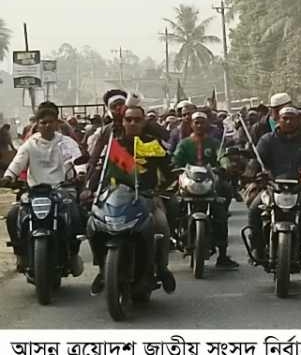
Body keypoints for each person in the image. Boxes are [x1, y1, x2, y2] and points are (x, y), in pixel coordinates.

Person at [86, 101, 176, 296]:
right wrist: (89, 189)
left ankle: (161, 268)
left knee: (161, 225)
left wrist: (162, 190)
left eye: (137, 120)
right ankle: (102, 270)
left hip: (147, 197)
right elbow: (101, 171)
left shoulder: (153, 144)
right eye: (129, 119)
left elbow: (170, 171)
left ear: (144, 122)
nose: (133, 123)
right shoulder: (114, 145)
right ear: (123, 122)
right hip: (115, 197)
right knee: (93, 225)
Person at [3, 105, 84, 276]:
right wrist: (9, 177)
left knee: (76, 214)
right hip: (34, 192)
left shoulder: (66, 143)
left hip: (62, 190)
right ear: (37, 124)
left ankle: (73, 252)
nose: (47, 125)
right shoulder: (30, 144)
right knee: (13, 216)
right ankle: (20, 254)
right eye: (43, 122)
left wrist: (81, 173)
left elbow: (77, 159)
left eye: (51, 122)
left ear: (57, 123)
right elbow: (18, 162)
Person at [247, 105, 301, 267]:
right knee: (254, 210)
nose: (288, 122)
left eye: (292, 119)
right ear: (278, 120)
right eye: (285, 119)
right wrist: (253, 173)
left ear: (299, 121)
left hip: (299, 188)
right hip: (272, 187)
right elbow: (255, 161)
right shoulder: (267, 140)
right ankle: (257, 248)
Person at [172, 112, 238, 270]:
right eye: (196, 122)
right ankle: (174, 237)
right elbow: (176, 160)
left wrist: (225, 165)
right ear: (191, 125)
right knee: (173, 205)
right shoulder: (184, 144)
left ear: (207, 125)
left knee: (221, 210)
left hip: (210, 183)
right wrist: (174, 167)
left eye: (202, 122)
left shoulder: (214, 143)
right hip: (189, 183)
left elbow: (222, 156)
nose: (199, 125)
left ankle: (223, 255)